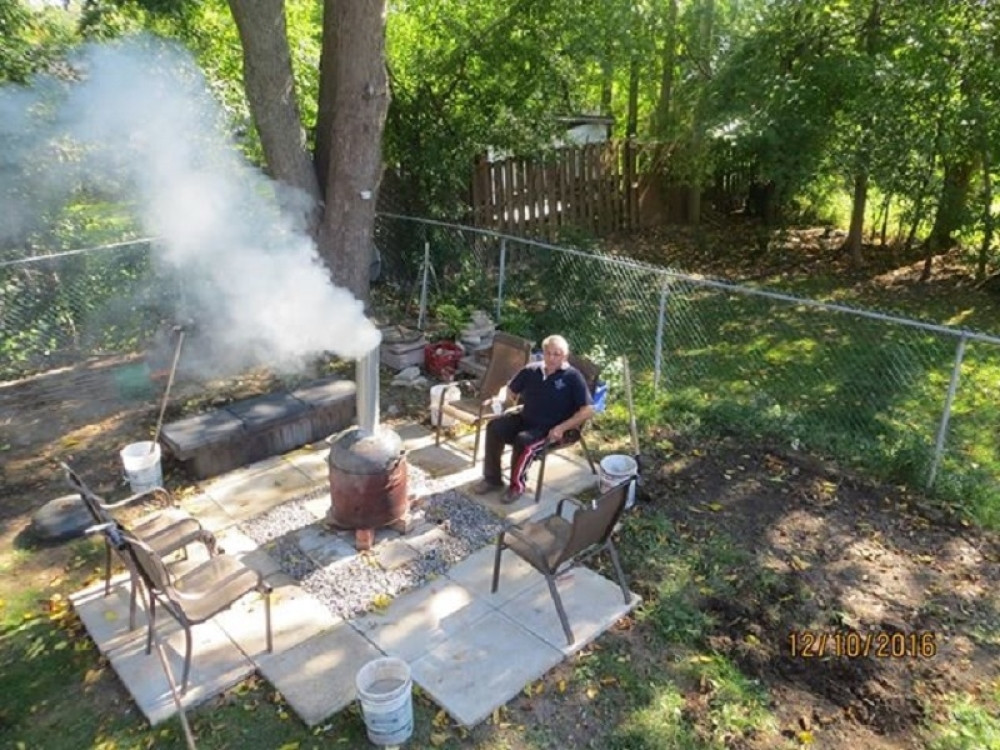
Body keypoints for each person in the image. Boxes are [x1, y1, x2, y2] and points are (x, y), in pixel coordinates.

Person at [474, 334, 594, 503]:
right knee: (495, 427)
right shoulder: (531, 370)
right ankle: (492, 479)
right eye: (548, 353)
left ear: (565, 356)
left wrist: (562, 428)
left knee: (524, 441)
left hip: (552, 429)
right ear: (543, 353)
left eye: (557, 354)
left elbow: (588, 410)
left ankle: (517, 486)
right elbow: (510, 391)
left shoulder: (572, 377)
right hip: (526, 418)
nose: (551, 358)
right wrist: (503, 400)